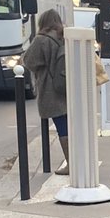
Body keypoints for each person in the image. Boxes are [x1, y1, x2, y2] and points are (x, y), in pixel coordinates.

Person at [22, 9, 69, 174]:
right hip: (66, 85)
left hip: (51, 89)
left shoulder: (42, 40)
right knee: (69, 125)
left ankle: (71, 163)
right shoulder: (64, 37)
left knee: (62, 126)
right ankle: (76, 161)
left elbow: (29, 61)